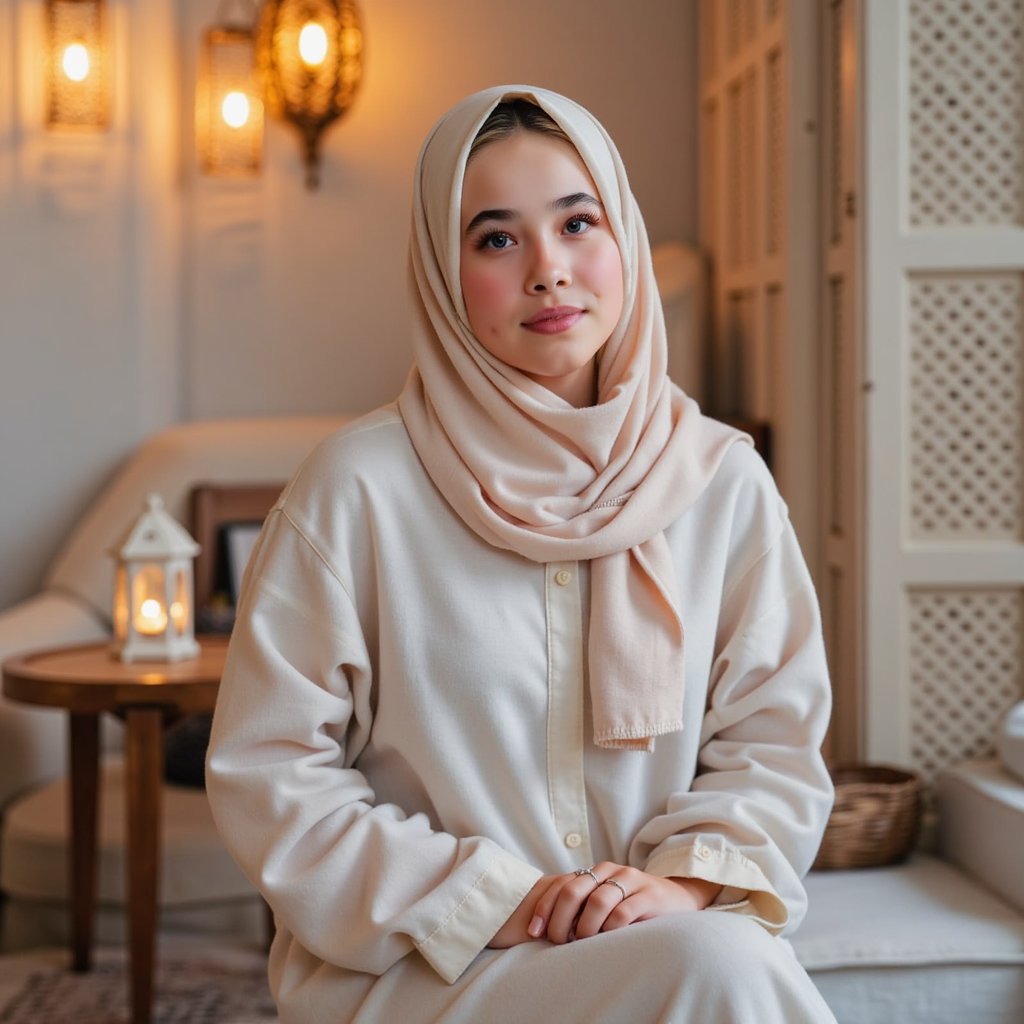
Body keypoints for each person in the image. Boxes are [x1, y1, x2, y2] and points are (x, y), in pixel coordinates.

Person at [206, 85, 838, 1023]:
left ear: (623, 235)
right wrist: (492, 898)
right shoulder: (359, 489)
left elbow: (772, 739)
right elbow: (272, 773)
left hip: (662, 937)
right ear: (441, 271)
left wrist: (682, 889)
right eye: (496, 239)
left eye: (578, 223)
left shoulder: (720, 484)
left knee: (715, 960)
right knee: (725, 975)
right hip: (431, 969)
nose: (550, 270)